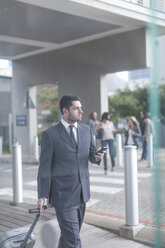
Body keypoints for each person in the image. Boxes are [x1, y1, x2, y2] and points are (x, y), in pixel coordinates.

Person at [36, 95, 104, 248]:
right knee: (74, 240)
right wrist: (42, 196)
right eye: (76, 108)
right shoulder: (50, 135)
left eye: (81, 107)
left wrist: (97, 155)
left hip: (82, 194)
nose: (81, 111)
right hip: (63, 197)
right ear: (65, 111)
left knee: (68, 238)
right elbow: (44, 168)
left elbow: (92, 156)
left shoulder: (87, 130)